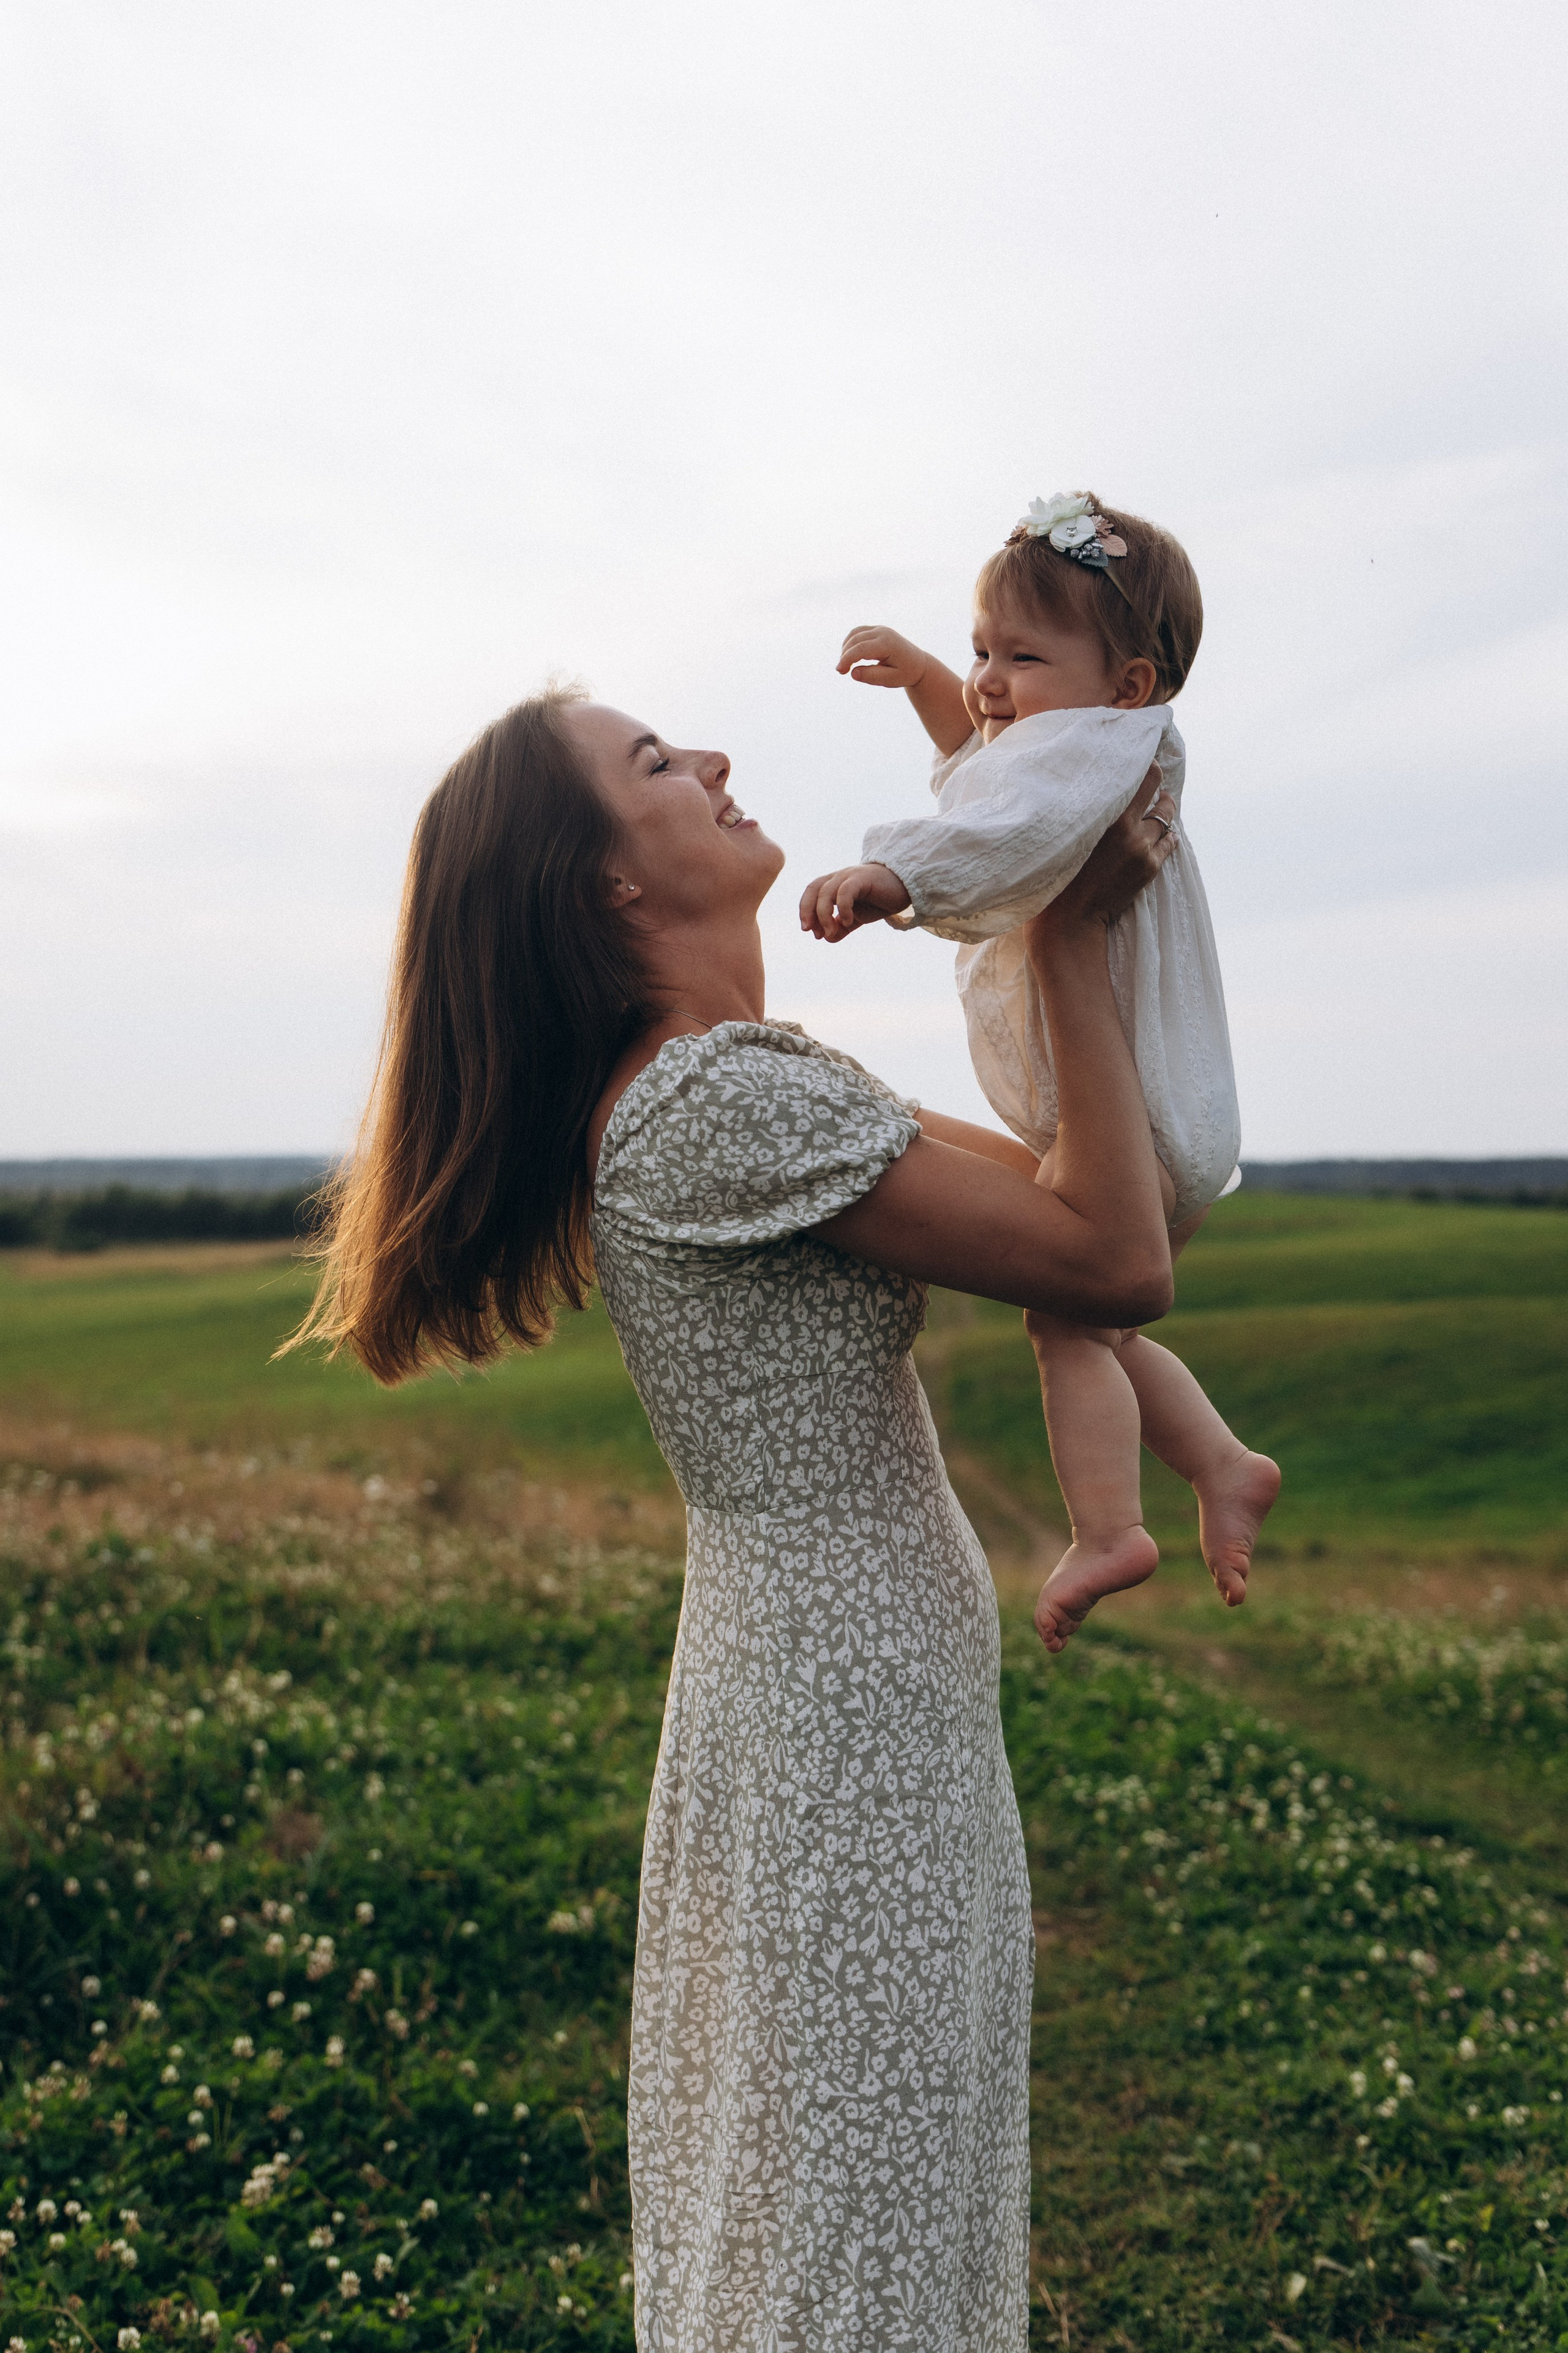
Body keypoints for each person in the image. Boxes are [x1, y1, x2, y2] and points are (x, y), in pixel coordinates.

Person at [287, 682, 1178, 2351]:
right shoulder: (716, 1105)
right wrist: (1060, 924)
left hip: (828, 1682)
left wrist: (1028, 867)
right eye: (655, 763)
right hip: (841, 1711)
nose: (710, 761)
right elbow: (1118, 1256)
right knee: (854, 2200)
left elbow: (1073, 1194)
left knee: (849, 2169)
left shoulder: (742, 1083)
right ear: (607, 883)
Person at [799, 492, 1280, 1652]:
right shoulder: (1089, 743)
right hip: (1158, 1121)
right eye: (980, 650)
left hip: (1129, 1121)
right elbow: (984, 769)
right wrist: (930, 676)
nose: (987, 681)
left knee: (1064, 1329)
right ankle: (1222, 1461)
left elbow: (1000, 831)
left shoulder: (1091, 757)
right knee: (1096, 1328)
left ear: (1128, 681)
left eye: (1019, 657)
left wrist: (897, 879)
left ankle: (1109, 1527)